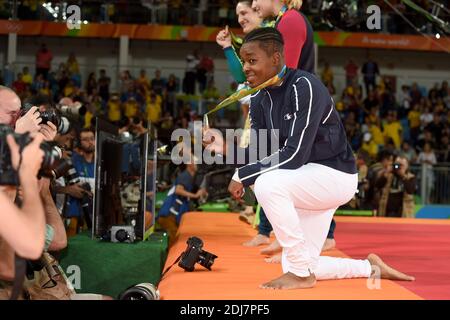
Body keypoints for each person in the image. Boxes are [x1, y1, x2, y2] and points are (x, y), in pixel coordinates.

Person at [203, 28, 414, 289]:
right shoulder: (258, 97)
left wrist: (243, 175)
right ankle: (368, 267)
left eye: (252, 60)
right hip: (305, 179)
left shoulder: (305, 86)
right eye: (244, 61)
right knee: (299, 261)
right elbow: (260, 153)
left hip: (335, 175)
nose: (245, 67)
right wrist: (225, 148)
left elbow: (293, 154)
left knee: (268, 183)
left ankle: (301, 275)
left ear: (276, 59)